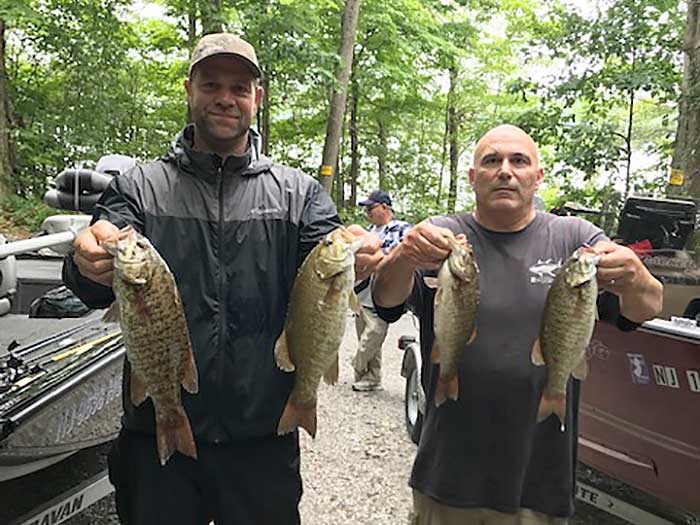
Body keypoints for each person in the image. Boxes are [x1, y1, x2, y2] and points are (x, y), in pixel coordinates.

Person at [63, 33, 382, 525]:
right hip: (155, 441)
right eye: (211, 84)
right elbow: (94, 273)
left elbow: (332, 256)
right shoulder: (140, 187)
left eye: (239, 86)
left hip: (262, 440)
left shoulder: (298, 194)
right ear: (189, 90)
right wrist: (84, 259)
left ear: (258, 97)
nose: (225, 98)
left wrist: (361, 253)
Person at [373, 124, 663, 525]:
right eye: (491, 161)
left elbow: (643, 308)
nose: (505, 171)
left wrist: (637, 276)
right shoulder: (441, 235)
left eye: (519, 161)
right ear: (473, 178)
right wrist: (404, 255)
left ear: (537, 176)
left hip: (539, 480)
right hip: (448, 474)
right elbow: (385, 301)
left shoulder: (575, 239)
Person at [352, 190, 411, 391]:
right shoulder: (367, 231)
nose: (367, 212)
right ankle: (370, 378)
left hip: (383, 297)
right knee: (364, 336)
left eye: (371, 207)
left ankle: (356, 364)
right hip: (362, 295)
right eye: (366, 209)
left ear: (385, 207)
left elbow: (404, 254)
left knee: (372, 336)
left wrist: (379, 257)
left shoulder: (401, 228)